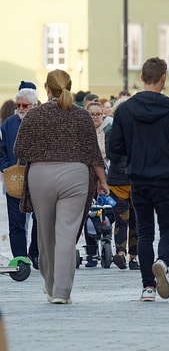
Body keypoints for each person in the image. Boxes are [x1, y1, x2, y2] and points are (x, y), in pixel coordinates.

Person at [14, 69, 108, 304]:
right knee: (66, 234)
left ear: (47, 88)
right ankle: (62, 292)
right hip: (76, 176)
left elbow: (19, 150)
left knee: (45, 235)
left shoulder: (34, 116)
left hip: (41, 176)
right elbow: (93, 153)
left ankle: (49, 284)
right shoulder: (81, 116)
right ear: (70, 86)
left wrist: (42, 152)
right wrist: (103, 181)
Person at [110, 57, 169, 302]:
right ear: (164, 78)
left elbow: (115, 149)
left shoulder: (124, 110)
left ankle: (148, 287)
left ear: (142, 78)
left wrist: (135, 151)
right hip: (166, 178)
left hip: (138, 178)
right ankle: (163, 262)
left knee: (144, 233)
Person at [0, 86, 39, 268]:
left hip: (39, 177)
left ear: (34, 105)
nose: (21, 108)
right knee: (16, 221)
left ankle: (36, 252)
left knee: (40, 218)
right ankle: (21, 258)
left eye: (25, 105)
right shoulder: (8, 124)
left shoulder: (41, 122)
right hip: (14, 178)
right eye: (19, 105)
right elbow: (1, 150)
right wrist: (6, 167)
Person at [105, 102, 138, 270]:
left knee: (121, 220)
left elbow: (112, 154)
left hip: (118, 180)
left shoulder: (110, 132)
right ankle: (132, 256)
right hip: (134, 179)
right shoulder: (138, 132)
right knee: (135, 220)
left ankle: (121, 253)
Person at [81, 101, 112, 267]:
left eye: (98, 114)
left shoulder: (109, 131)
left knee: (107, 210)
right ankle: (91, 251)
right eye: (91, 114)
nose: (95, 117)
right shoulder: (83, 132)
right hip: (87, 177)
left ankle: (107, 240)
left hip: (107, 175)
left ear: (103, 115)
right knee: (89, 214)